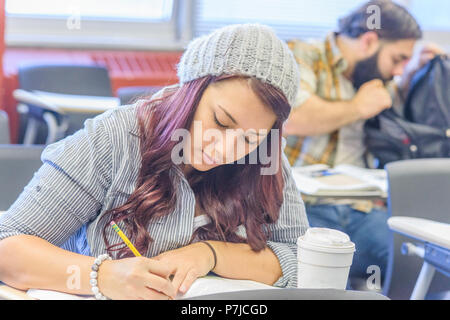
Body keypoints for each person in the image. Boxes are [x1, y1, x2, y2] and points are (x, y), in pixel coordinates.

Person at [0, 24, 309, 300]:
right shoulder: (115, 138)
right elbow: (7, 249)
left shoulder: (266, 159)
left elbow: (301, 260)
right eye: (221, 121)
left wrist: (210, 254)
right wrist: (103, 277)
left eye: (249, 139)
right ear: (191, 89)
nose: (226, 149)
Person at [283, 0, 443, 290]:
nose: (397, 71)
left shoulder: (375, 76)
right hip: (306, 207)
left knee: (429, 264)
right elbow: (292, 117)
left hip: (364, 210)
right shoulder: (303, 54)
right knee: (324, 281)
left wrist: (418, 75)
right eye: (397, 59)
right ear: (369, 41)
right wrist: (358, 107)